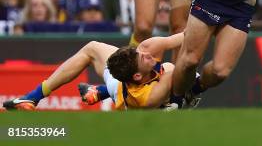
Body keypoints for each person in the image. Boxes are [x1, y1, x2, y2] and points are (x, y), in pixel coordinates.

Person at [3, 33, 184, 110]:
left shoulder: (145, 56)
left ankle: (33, 97)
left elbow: (183, 37)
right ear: (136, 74)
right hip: (126, 97)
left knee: (92, 48)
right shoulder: (158, 68)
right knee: (170, 68)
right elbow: (184, 46)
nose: (145, 52)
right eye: (141, 54)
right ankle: (100, 91)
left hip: (124, 88)